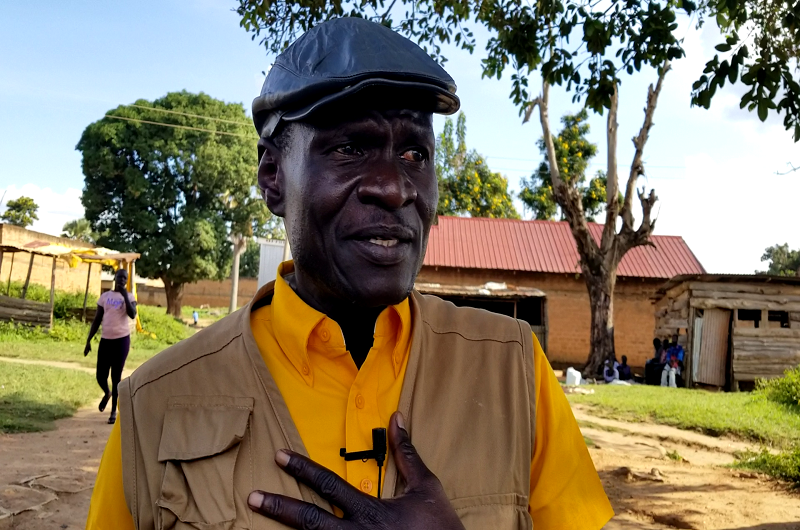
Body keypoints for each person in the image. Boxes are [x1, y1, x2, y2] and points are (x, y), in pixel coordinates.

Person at [85, 18, 613, 530]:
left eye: (415, 153)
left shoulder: (514, 372)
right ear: (273, 177)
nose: (393, 187)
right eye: (349, 148)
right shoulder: (154, 405)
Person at [84, 269, 137, 424]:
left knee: (116, 377)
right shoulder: (105, 297)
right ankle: (107, 393)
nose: (121, 280)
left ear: (126, 281)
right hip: (106, 340)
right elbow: (97, 320)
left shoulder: (130, 297)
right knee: (100, 375)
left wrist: (125, 296)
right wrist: (88, 340)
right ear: (114, 278)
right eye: (119, 277)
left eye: (124, 279)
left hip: (121, 341)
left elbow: (132, 314)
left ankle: (113, 411)